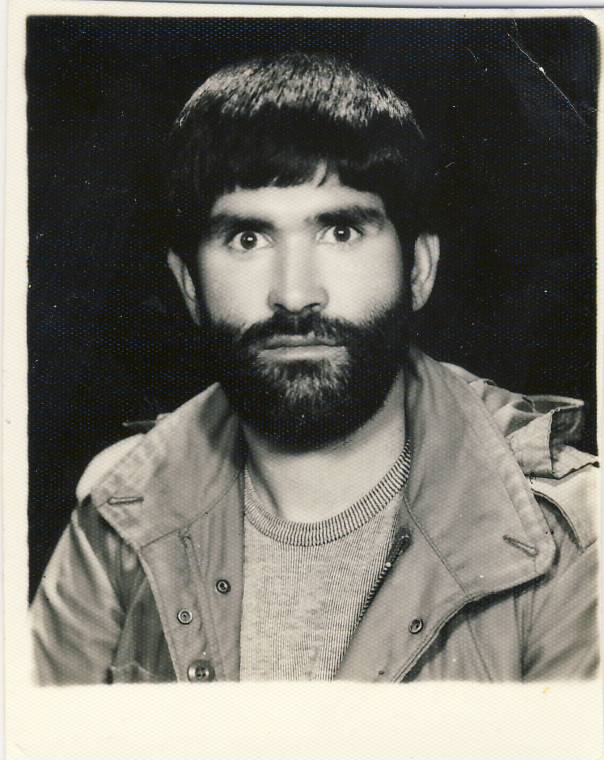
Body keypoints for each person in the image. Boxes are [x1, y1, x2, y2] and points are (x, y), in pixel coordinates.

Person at [31, 52, 599, 684]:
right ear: (189, 285)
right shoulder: (119, 517)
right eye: (248, 239)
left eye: (341, 232)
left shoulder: (572, 532)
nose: (295, 294)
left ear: (418, 269)